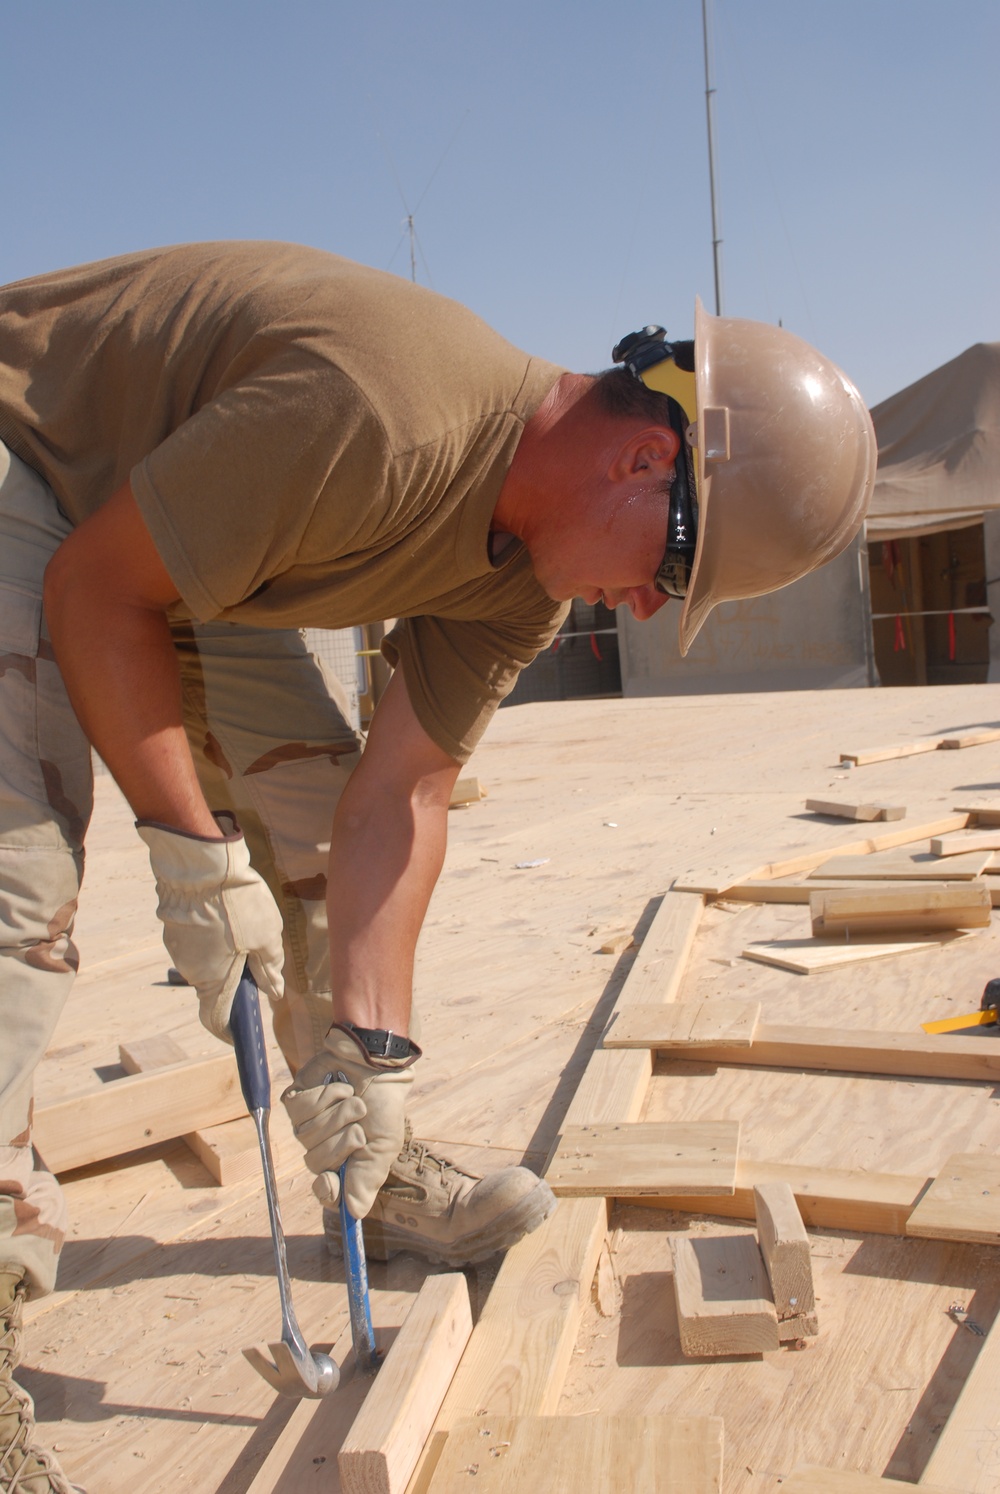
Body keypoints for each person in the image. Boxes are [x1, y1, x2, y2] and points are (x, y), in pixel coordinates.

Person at [0, 240, 876, 1491]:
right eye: (669, 571)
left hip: (166, 527)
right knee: (18, 891)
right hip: (31, 466)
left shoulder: (520, 580)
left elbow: (397, 795)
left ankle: (362, 1145)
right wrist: (190, 859)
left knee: (307, 815)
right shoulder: (381, 416)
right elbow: (97, 589)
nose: (641, 610)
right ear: (645, 457)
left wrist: (376, 1046)